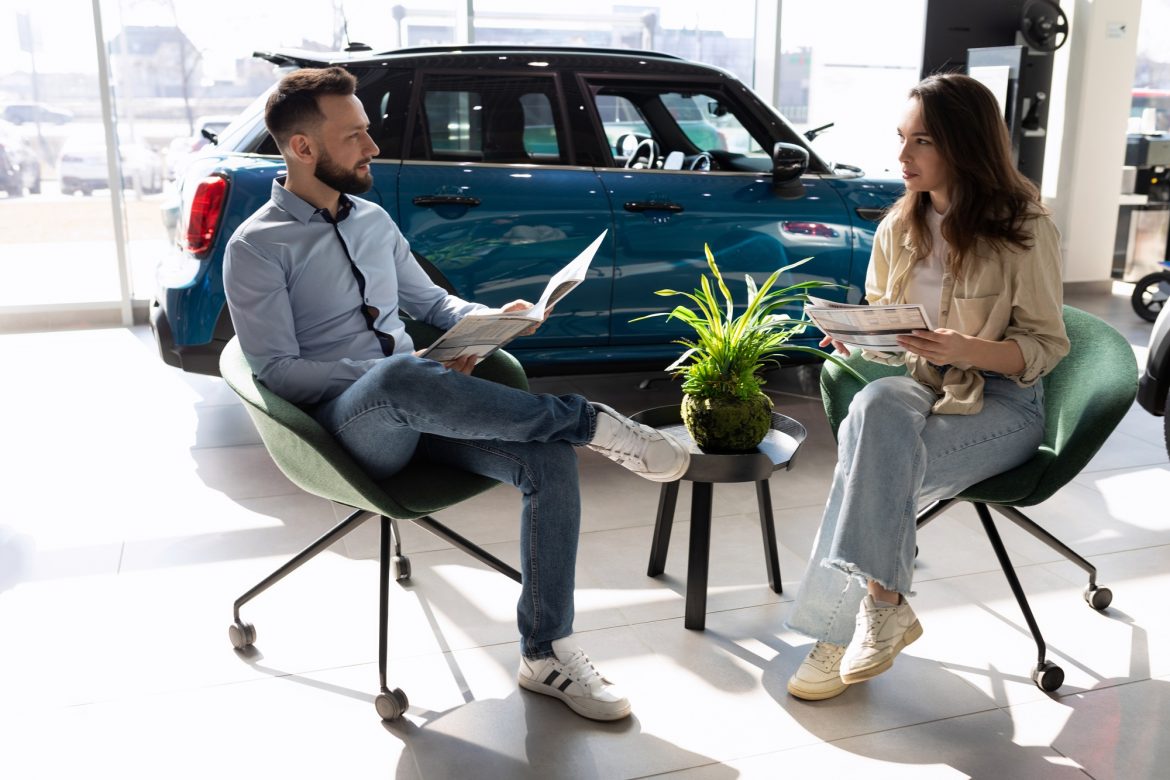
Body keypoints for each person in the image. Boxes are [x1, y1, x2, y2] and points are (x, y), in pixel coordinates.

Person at [223, 66, 691, 722]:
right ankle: (590, 422)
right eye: (354, 136)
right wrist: (393, 371)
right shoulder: (257, 247)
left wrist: (494, 318)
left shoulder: (373, 220)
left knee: (548, 461)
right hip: (347, 433)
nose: (372, 147)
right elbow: (277, 371)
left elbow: (433, 303)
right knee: (397, 375)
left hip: (421, 400)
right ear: (302, 148)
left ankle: (545, 652)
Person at [784, 73, 1070, 701]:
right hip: (921, 383)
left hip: (1004, 403)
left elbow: (1046, 348)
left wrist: (968, 348)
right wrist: (859, 336)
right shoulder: (899, 225)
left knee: (865, 464)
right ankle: (882, 609)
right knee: (875, 403)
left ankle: (837, 634)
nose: (902, 156)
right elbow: (889, 324)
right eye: (901, 138)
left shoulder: (1025, 228)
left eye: (922, 141)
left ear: (964, 145)